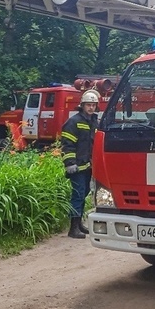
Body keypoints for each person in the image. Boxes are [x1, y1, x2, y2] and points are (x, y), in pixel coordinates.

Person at [61, 89, 99, 239]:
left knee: (83, 194)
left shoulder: (94, 122)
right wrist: (70, 163)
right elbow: (67, 144)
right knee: (77, 195)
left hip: (88, 166)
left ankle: (79, 224)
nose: (91, 108)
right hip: (77, 167)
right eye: (88, 105)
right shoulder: (74, 122)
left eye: (93, 105)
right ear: (82, 105)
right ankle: (73, 228)